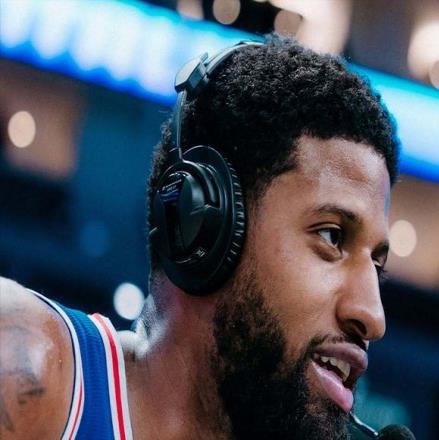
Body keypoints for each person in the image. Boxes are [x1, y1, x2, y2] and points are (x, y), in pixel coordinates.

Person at [0, 34, 400, 440]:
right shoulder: (25, 368)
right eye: (332, 236)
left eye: (377, 265)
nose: (372, 316)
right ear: (202, 224)